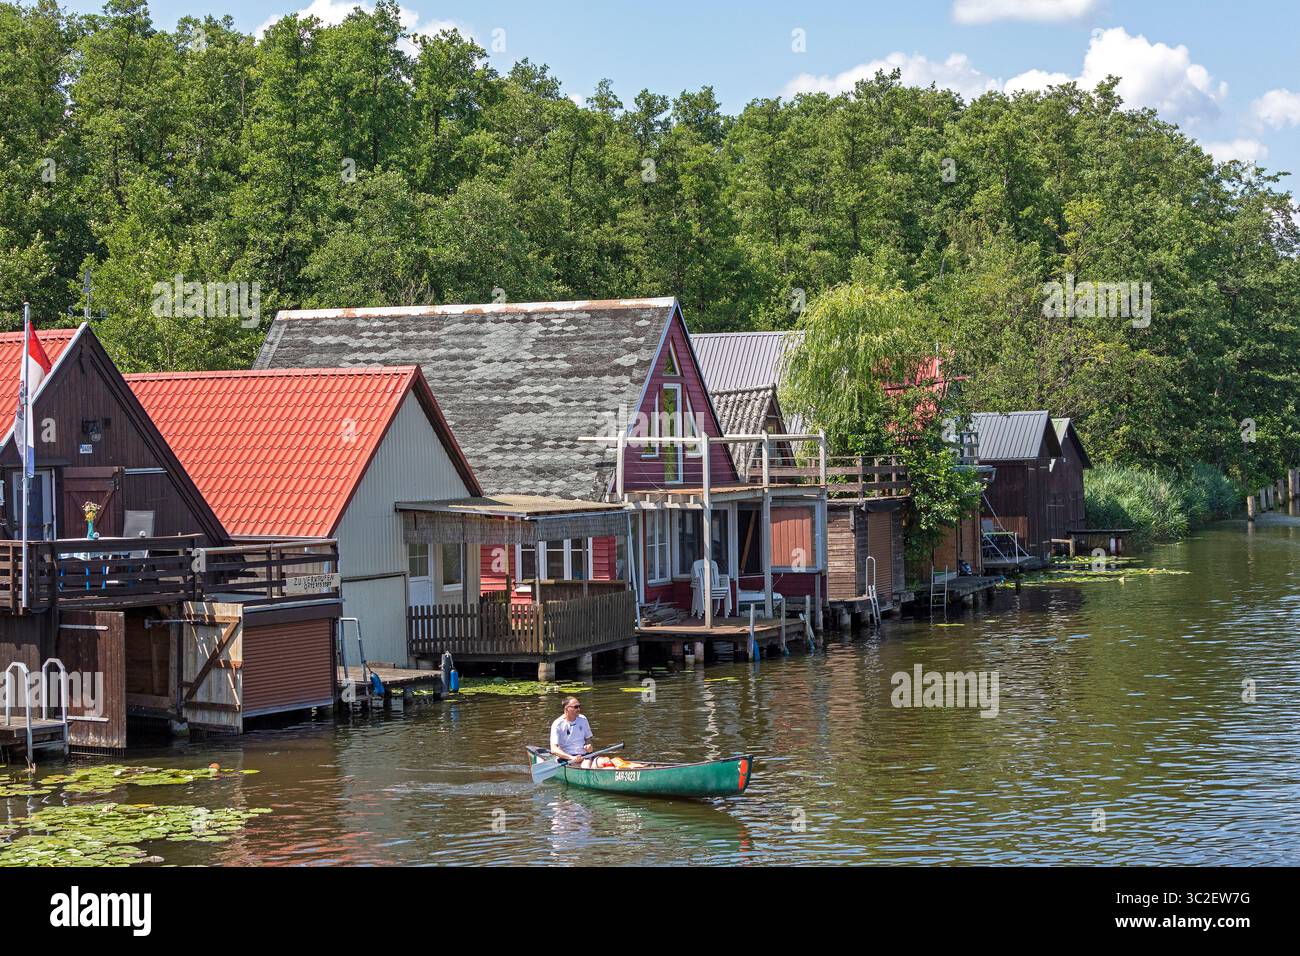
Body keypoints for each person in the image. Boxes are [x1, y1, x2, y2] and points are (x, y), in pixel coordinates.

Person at [550, 696, 593, 766]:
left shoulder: (583, 719)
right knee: (586, 766)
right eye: (575, 707)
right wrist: (572, 758)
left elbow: (588, 739)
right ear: (566, 708)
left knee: (604, 761)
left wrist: (589, 745)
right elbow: (554, 749)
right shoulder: (557, 724)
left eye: (579, 706)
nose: (579, 709)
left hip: (584, 756)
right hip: (567, 758)